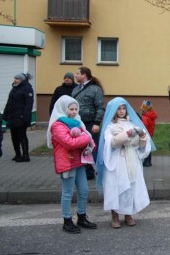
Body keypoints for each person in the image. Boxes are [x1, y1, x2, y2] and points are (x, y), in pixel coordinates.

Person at [97, 97, 155, 228]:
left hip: (131, 159)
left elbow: (140, 142)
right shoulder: (110, 126)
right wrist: (128, 136)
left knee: (130, 185)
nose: (122, 111)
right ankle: (115, 215)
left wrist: (140, 138)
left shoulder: (132, 124)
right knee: (116, 186)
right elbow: (111, 142)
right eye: (119, 109)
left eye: (124, 108)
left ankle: (128, 213)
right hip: (117, 160)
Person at [48, 95, 97, 233]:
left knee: (84, 190)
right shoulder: (58, 125)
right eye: (71, 109)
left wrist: (86, 140)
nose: (74, 112)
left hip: (79, 160)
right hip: (67, 162)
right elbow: (69, 143)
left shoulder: (77, 122)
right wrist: (86, 137)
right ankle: (67, 220)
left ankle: (81, 217)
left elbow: (86, 140)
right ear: (64, 109)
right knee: (68, 192)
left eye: (76, 109)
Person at [71, 67, 105, 180]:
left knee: (93, 147)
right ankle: (88, 172)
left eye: (77, 73)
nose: (75, 75)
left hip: (91, 123)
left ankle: (102, 171)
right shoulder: (76, 89)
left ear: (84, 75)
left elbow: (100, 107)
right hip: (78, 123)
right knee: (82, 148)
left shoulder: (95, 89)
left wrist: (96, 123)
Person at [3, 73, 34, 162]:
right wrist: (5, 114)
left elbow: (29, 104)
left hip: (21, 117)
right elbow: (9, 102)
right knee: (14, 136)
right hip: (12, 117)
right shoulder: (14, 88)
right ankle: (17, 154)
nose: (15, 80)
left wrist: (26, 117)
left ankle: (25, 155)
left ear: (22, 80)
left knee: (22, 136)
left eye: (17, 79)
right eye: (15, 78)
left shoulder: (27, 89)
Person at [140, 100, 157, 167]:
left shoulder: (145, 118)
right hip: (150, 133)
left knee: (146, 148)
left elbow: (143, 127)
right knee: (149, 147)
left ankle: (146, 162)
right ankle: (149, 162)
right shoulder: (151, 115)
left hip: (146, 134)